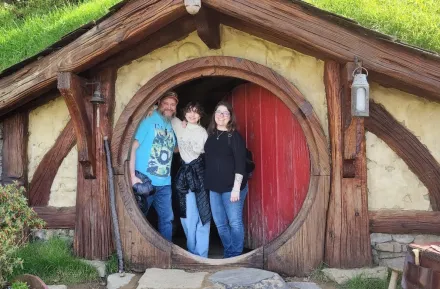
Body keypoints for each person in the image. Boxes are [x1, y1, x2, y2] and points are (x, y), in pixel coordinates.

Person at [129, 91, 178, 242]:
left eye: (173, 104)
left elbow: (176, 148)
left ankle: (167, 256)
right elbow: (133, 148)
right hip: (145, 181)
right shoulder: (148, 121)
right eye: (166, 103)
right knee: (139, 217)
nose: (169, 107)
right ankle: (137, 252)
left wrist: (186, 128)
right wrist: (132, 176)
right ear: (159, 103)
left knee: (167, 220)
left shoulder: (172, 124)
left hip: (165, 183)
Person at [204, 101, 248, 258]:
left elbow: (240, 164)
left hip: (232, 188)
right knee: (220, 224)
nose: (221, 116)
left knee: (234, 222)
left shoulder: (234, 136)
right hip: (214, 188)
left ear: (230, 117)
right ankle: (230, 252)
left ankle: (235, 255)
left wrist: (236, 188)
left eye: (225, 113)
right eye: (218, 112)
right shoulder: (209, 136)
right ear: (214, 115)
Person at [173, 102, 211, 258]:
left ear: (200, 115)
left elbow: (207, 156)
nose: (192, 114)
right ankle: (191, 252)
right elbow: (159, 108)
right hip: (185, 175)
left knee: (203, 213)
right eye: (189, 111)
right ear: (184, 113)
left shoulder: (203, 133)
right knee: (188, 214)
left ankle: (202, 254)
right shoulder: (178, 125)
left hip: (200, 174)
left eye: (196, 112)